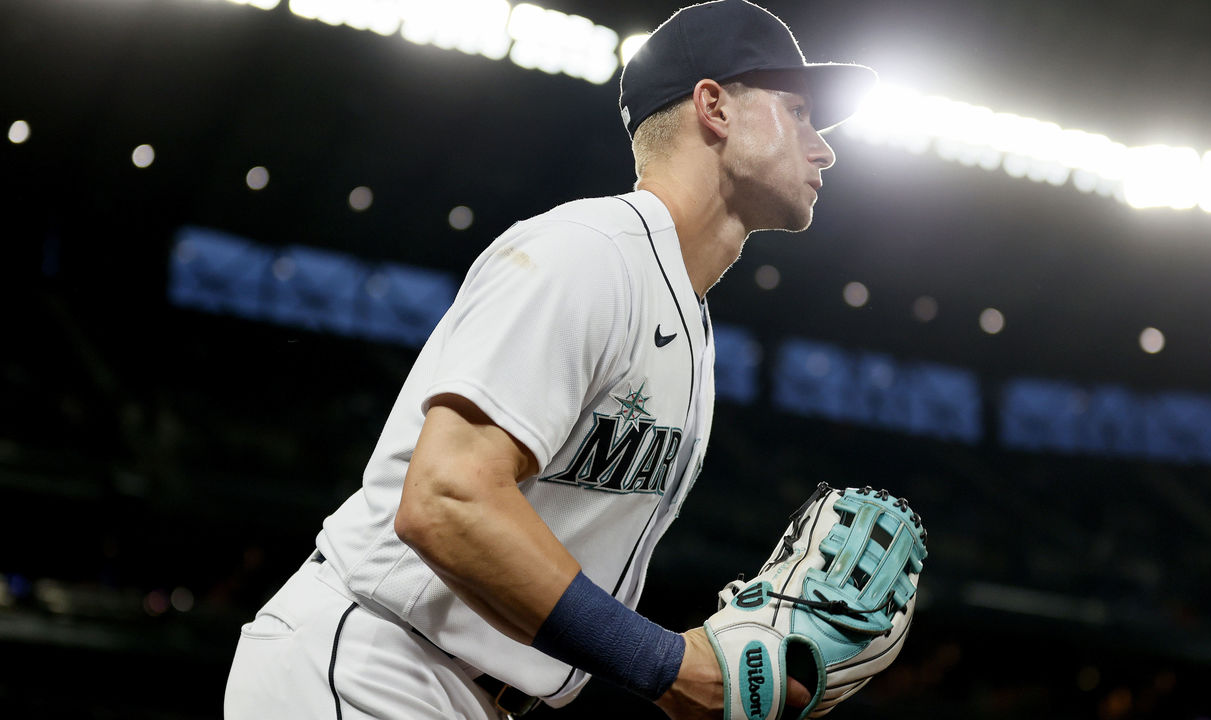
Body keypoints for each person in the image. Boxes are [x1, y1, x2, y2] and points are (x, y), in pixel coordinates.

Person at [223, 1, 877, 718]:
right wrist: (666, 665)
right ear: (714, 107)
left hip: (462, 692)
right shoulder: (588, 254)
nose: (825, 148)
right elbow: (446, 498)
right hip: (370, 661)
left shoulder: (683, 314)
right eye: (801, 111)